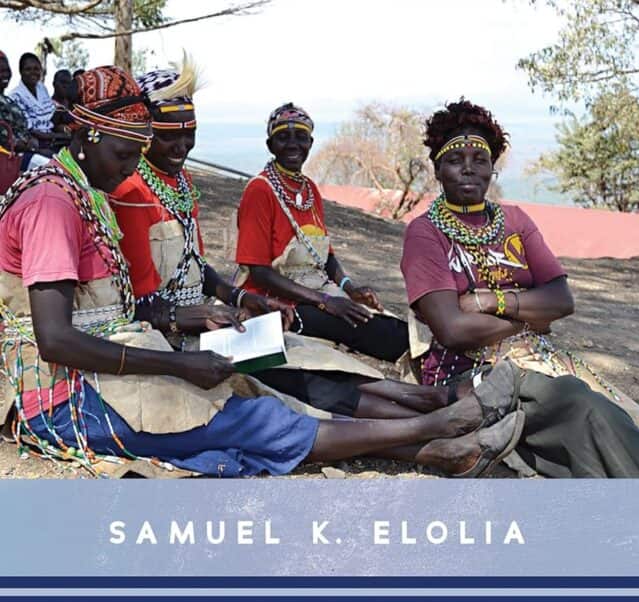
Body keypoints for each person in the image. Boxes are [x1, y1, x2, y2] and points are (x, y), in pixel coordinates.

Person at [0, 66, 523, 479]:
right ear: (89, 135)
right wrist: (181, 357)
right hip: (62, 396)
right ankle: (436, 426)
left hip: (110, 360)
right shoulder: (54, 204)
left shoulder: (84, 193)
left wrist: (203, 312)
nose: (134, 166)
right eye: (125, 152)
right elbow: (55, 339)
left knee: (261, 385)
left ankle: (437, 438)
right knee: (250, 413)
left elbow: (115, 305)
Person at [112, 63, 469, 421]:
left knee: (321, 353)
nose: (182, 145)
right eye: (169, 133)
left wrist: (250, 300)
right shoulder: (134, 191)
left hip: (231, 315)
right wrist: (223, 310)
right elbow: (144, 305)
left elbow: (196, 265)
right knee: (298, 371)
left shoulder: (182, 183)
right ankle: (427, 416)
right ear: (145, 131)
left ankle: (436, 395)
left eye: (190, 133)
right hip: (177, 333)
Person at [401, 98, 639, 478]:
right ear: (437, 169)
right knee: (582, 407)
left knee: (615, 414)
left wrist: (485, 301)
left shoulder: (514, 221)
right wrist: (530, 316)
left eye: (479, 159)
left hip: (538, 357)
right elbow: (453, 330)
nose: (468, 168)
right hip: (469, 373)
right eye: (455, 159)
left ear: (492, 168)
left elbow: (562, 299)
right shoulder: (425, 233)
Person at [235, 102, 409, 365]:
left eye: (301, 137)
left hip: (317, 293)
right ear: (270, 146)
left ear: (311, 143)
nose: (293, 144)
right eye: (283, 137)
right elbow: (259, 271)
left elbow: (324, 256)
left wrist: (349, 288)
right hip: (277, 303)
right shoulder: (260, 190)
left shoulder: (309, 190)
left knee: (385, 323)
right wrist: (326, 302)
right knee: (360, 327)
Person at [0, 51, 48, 173]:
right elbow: (6, 141)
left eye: (6, 70)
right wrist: (32, 148)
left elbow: (24, 129)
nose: (4, 75)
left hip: (26, 152)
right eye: (0, 71)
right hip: (9, 158)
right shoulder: (14, 96)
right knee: (52, 167)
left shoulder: (8, 100)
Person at [9, 53, 56, 159]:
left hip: (52, 138)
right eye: (28, 69)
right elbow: (31, 131)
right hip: (34, 144)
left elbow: (51, 116)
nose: (33, 72)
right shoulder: (16, 96)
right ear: (21, 72)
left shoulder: (41, 88)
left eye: (36, 69)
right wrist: (61, 136)